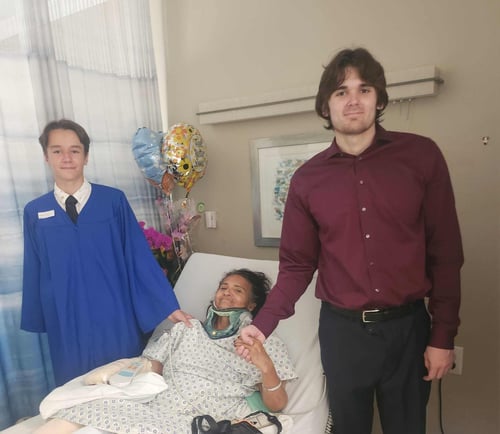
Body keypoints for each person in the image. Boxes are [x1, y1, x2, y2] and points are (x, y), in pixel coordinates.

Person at [238, 47, 463, 434]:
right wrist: (263, 323)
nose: (354, 100)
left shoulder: (421, 157)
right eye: (341, 92)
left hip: (408, 329)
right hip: (343, 335)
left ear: (379, 99)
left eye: (364, 89)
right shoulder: (307, 180)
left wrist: (442, 336)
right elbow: (296, 266)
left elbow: (446, 255)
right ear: (326, 106)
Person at [21, 119, 192, 386]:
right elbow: (34, 267)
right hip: (66, 316)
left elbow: (138, 257)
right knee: (76, 387)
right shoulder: (35, 211)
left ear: (86, 156)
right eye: (57, 151)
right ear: (46, 156)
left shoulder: (113, 202)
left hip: (114, 310)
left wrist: (168, 307)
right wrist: (39, 315)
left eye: (75, 150)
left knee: (123, 382)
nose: (66, 158)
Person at [34, 269, 296, 434]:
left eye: (237, 291)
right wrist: (124, 373)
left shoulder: (265, 342)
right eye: (223, 287)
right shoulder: (187, 328)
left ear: (252, 303)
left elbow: (277, 405)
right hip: (158, 403)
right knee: (83, 412)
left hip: (205, 417)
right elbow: (153, 365)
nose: (226, 293)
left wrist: (266, 367)